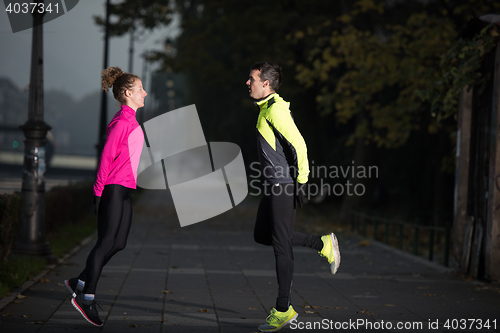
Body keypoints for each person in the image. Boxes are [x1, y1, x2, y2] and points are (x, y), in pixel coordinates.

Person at [246, 62, 341, 332]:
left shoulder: (275, 109)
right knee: (263, 234)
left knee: (280, 245)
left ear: (266, 84)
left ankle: (283, 308)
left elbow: (300, 144)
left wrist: (302, 183)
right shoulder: (267, 108)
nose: (248, 83)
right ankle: (322, 243)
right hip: (274, 185)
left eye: (252, 79)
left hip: (283, 186)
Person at [64, 66, 147, 327]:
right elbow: (106, 158)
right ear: (127, 93)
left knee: (119, 242)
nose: (145, 92)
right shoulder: (122, 122)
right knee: (105, 241)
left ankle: (78, 281)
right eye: (140, 89)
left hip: (126, 190)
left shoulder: (131, 121)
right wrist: (98, 192)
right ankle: (86, 298)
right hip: (113, 188)